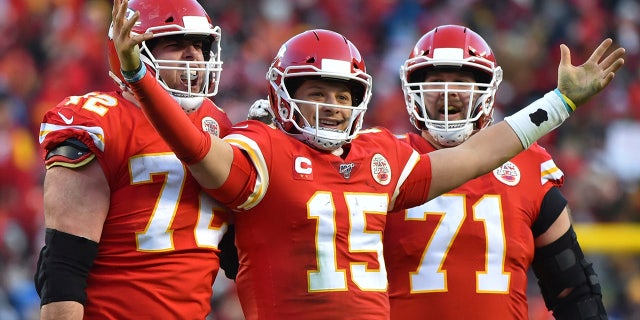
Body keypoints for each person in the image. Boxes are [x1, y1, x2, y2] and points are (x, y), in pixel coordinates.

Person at [111, 0, 625, 316]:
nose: (330, 107)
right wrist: (141, 78)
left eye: (341, 95)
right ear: (283, 94)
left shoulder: (380, 159)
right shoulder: (262, 148)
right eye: (316, 91)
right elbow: (201, 155)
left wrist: (559, 103)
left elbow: (477, 156)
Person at [383, 24, 609, 320]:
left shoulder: (528, 164)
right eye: (435, 82)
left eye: (462, 82)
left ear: (486, 92)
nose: (447, 93)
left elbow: (573, 287)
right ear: (414, 92)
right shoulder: (385, 159)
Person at [34, 0, 235, 318]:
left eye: (199, 44)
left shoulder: (219, 125)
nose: (193, 56)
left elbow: (243, 257)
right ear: (134, 50)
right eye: (175, 44)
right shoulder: (101, 122)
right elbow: (64, 269)